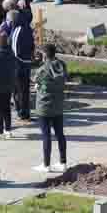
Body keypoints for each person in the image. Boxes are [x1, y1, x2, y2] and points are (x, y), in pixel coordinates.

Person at [33, 44, 69, 173]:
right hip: (58, 105)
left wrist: (38, 86)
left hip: (44, 107)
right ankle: (63, 162)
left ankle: (46, 164)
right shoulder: (62, 65)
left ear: (45, 55)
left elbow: (36, 81)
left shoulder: (43, 69)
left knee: (46, 136)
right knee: (60, 134)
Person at [10, 7, 35, 121]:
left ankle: (23, 113)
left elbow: (17, 50)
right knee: (22, 90)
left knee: (21, 90)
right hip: (22, 64)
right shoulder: (24, 29)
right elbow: (18, 50)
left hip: (21, 65)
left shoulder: (21, 29)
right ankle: (23, 112)